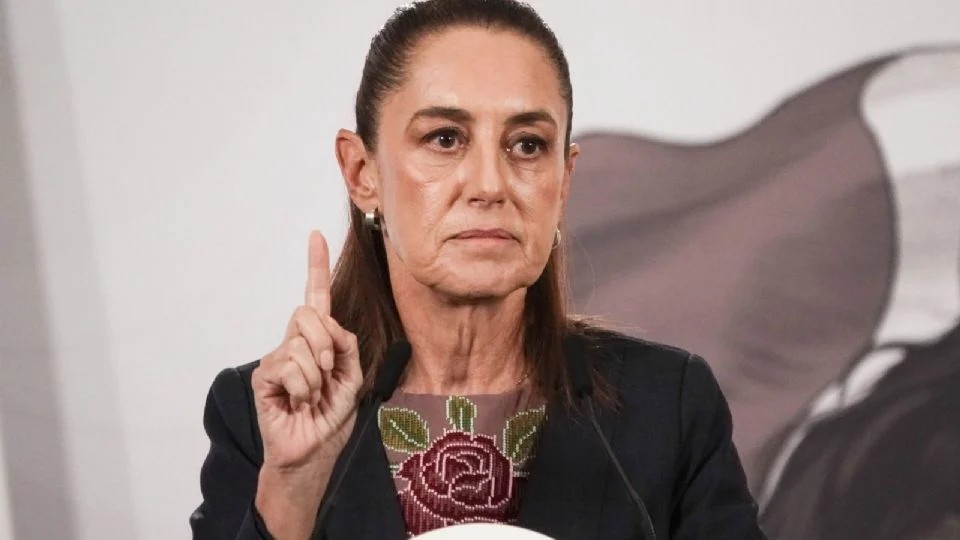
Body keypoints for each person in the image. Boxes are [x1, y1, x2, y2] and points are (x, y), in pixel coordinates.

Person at [190, 1, 765, 538]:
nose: (490, 185)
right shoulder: (262, 414)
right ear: (362, 173)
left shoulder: (669, 404)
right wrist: (293, 485)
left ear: (563, 181)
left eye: (527, 145)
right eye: (445, 138)